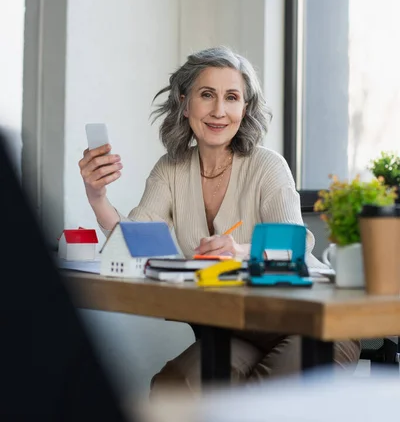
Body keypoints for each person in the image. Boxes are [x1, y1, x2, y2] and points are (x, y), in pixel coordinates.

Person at [79, 46, 360, 394]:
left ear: (245, 108)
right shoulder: (170, 169)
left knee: (265, 405)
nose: (218, 111)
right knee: (174, 389)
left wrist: (240, 250)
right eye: (207, 95)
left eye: (231, 97)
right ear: (184, 103)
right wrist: (97, 197)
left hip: (311, 322)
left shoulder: (267, 166)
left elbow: (297, 245)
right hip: (236, 325)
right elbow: (136, 240)